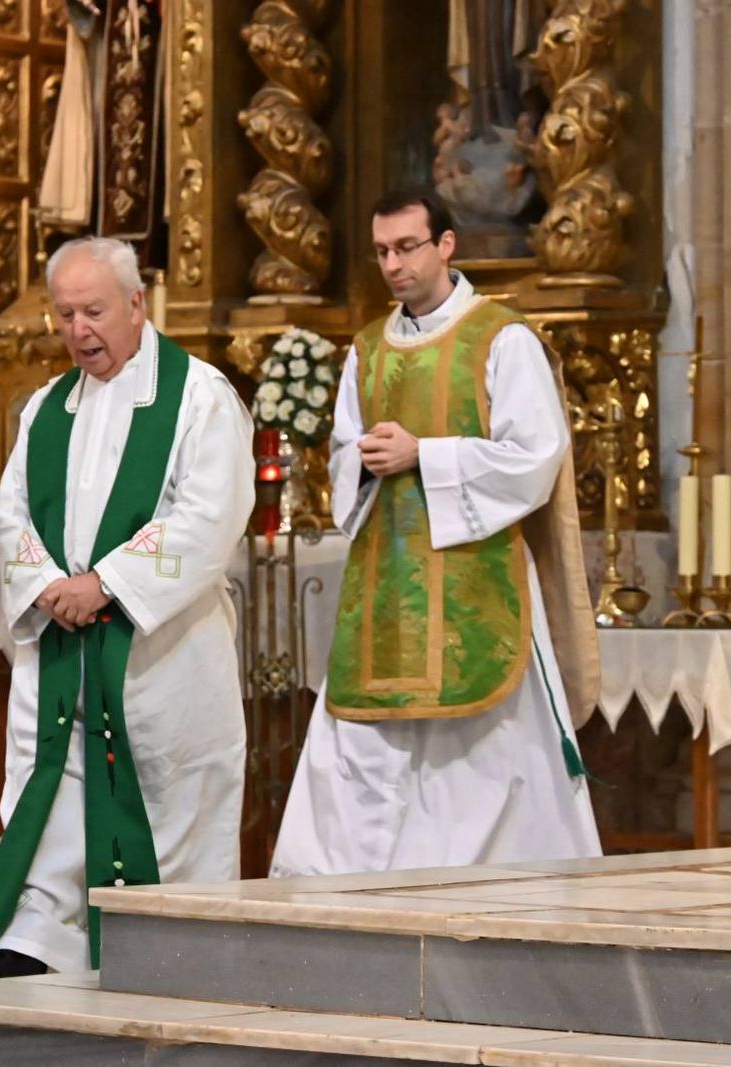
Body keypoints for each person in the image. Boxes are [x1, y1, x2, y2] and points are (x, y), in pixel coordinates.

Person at [0, 237, 255, 981]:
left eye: (95, 311)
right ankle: (38, 938)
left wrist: (106, 583)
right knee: (58, 783)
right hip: (67, 643)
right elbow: (13, 511)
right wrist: (45, 584)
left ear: (137, 305)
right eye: (66, 313)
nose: (79, 330)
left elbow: (211, 514)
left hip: (159, 650)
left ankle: (172, 948)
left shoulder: (198, 397)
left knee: (166, 792)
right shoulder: (48, 408)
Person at [271, 189, 602, 876]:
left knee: (488, 753)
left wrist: (426, 454)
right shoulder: (366, 349)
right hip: (388, 582)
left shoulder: (503, 339)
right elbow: (342, 459)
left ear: (446, 245)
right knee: (362, 744)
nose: (393, 264)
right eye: (383, 251)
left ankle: (495, 890)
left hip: (478, 580)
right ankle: (348, 889)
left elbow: (536, 456)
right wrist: (363, 465)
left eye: (407, 247)